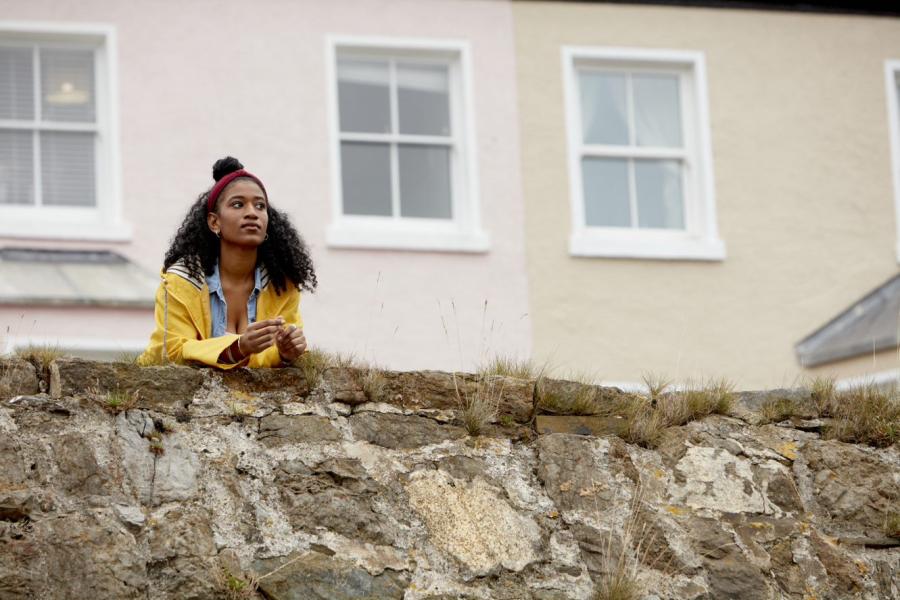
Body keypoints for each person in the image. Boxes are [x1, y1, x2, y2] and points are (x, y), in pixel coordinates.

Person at [138, 157, 317, 368]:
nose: (252, 212)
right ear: (214, 222)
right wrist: (239, 347)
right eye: (238, 204)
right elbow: (172, 351)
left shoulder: (282, 285)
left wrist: (286, 354)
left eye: (260, 206)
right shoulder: (181, 281)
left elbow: (278, 359)